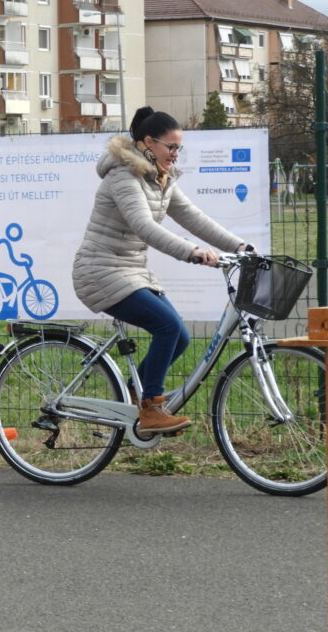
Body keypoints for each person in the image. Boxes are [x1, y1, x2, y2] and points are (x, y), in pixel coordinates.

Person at [72, 106, 252, 434]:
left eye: (178, 148)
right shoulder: (123, 176)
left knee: (179, 336)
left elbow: (195, 217)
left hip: (129, 270)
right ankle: (151, 408)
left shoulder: (161, 180)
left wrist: (241, 248)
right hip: (99, 271)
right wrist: (192, 252)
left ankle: (134, 394)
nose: (175, 154)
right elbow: (143, 226)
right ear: (147, 144)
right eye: (171, 147)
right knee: (168, 327)